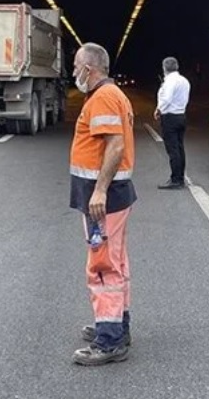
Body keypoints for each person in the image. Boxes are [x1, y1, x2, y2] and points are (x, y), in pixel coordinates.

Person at [69, 42, 137, 366]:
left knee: (101, 266)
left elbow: (115, 145)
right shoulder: (110, 95)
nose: (73, 72)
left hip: (103, 201)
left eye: (76, 66)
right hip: (111, 196)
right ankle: (116, 326)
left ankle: (108, 341)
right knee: (117, 261)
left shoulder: (104, 97)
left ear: (90, 68)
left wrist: (99, 191)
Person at [154, 56, 191, 189]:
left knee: (172, 149)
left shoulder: (170, 81)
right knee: (180, 148)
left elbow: (167, 98)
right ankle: (180, 177)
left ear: (164, 68)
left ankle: (175, 180)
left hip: (170, 117)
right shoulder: (184, 81)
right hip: (181, 115)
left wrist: (159, 110)